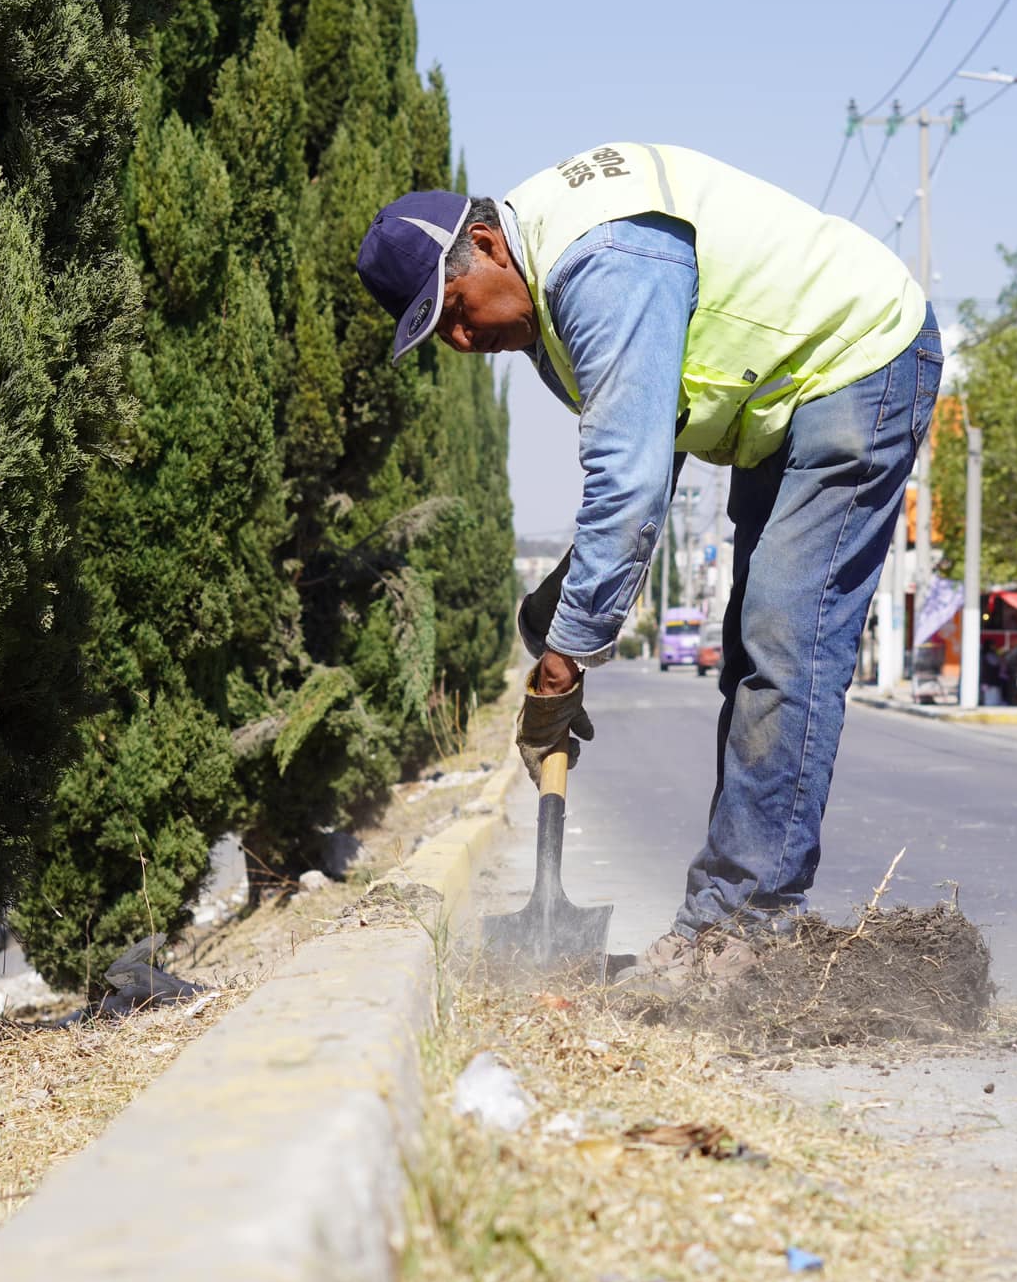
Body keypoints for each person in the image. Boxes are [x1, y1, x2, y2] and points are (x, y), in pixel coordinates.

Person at [353, 143, 940, 981]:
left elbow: (628, 486)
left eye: (452, 309)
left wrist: (564, 662)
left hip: (858, 357)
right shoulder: (545, 305)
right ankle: (735, 916)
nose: (458, 337)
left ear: (484, 245)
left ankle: (746, 926)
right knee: (752, 652)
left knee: (786, 640)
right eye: (435, 334)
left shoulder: (601, 263)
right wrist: (565, 607)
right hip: (782, 401)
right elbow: (648, 452)